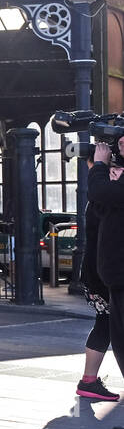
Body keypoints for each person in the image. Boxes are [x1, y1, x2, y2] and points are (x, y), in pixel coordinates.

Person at [84, 141, 124, 405]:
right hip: (110, 274)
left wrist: (99, 169)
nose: (119, 146)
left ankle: (88, 380)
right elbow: (101, 206)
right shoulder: (113, 186)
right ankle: (88, 380)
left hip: (115, 272)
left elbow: (100, 196)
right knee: (113, 332)